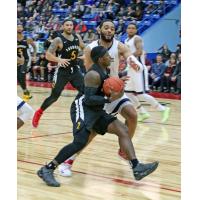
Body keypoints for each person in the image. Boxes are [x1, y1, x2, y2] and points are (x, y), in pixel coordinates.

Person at [37, 46, 159, 187]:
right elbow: (88, 99)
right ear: (101, 59)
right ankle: (47, 169)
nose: (110, 57)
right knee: (79, 142)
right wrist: (109, 99)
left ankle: (136, 167)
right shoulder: (93, 74)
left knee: (123, 130)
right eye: (107, 55)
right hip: (82, 109)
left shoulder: (103, 70)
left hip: (96, 110)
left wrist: (118, 81)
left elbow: (104, 86)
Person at [58, 19, 140, 176]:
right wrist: (108, 84)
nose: (109, 30)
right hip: (100, 94)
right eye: (106, 27)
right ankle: (67, 162)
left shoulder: (119, 45)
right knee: (91, 134)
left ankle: (124, 150)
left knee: (132, 114)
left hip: (115, 92)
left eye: (112, 28)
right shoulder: (90, 48)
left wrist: (132, 62)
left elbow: (128, 54)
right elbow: (91, 73)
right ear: (100, 29)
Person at [32, 19, 85, 128]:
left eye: (71, 25)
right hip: (62, 71)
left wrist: (84, 56)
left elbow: (84, 48)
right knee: (54, 96)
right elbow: (48, 55)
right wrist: (59, 60)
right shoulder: (58, 39)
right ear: (63, 27)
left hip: (75, 69)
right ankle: (39, 112)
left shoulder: (77, 37)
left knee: (85, 91)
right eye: (67, 25)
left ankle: (77, 111)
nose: (69, 27)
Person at [124, 23, 170, 123]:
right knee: (127, 93)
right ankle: (143, 112)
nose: (131, 30)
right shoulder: (126, 40)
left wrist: (127, 56)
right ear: (126, 30)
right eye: (129, 28)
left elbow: (140, 52)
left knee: (141, 94)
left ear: (136, 30)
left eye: (133, 28)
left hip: (138, 69)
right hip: (130, 70)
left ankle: (163, 109)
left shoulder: (137, 39)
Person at [17, 24, 36, 101]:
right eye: (17, 27)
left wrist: (34, 55)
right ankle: (26, 92)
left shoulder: (27, 39)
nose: (19, 28)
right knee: (19, 77)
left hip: (26, 60)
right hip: (17, 60)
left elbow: (34, 47)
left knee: (21, 74)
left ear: (23, 29)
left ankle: (26, 93)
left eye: (20, 27)